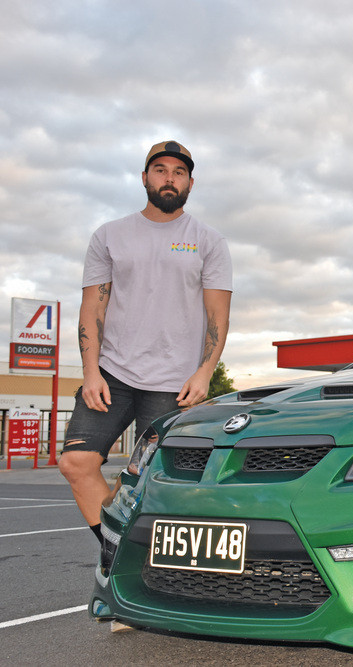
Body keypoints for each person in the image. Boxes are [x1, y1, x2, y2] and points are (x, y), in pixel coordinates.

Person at [59, 141, 233, 545]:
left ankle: (130, 557)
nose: (169, 178)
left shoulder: (208, 241)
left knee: (145, 481)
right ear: (144, 177)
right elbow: (92, 310)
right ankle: (116, 551)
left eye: (178, 172)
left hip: (173, 381)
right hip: (112, 373)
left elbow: (218, 316)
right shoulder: (109, 235)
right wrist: (90, 372)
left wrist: (205, 372)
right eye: (160, 169)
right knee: (75, 463)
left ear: (190, 182)